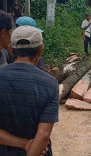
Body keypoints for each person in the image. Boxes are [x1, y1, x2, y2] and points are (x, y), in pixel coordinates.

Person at [0, 26, 59, 156]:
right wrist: (27, 144)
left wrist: (23, 143)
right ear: (41, 50)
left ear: (10, 49)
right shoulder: (50, 84)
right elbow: (43, 135)